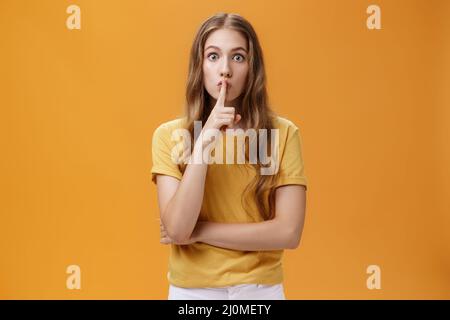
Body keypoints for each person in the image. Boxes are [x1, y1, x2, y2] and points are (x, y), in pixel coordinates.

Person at [151, 12, 308, 300]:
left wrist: (199, 232)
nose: (225, 70)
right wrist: (204, 142)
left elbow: (288, 232)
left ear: (252, 68)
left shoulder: (284, 134)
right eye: (213, 56)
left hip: (260, 291)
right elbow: (177, 227)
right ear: (200, 66)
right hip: (192, 293)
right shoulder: (169, 135)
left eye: (237, 57)